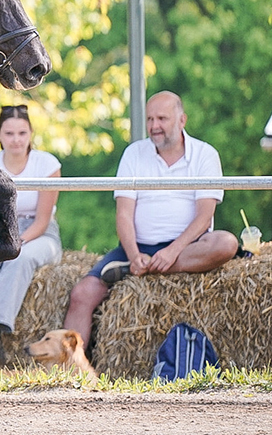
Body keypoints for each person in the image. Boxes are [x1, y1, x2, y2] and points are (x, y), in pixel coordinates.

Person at [62, 91, 239, 351]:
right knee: (81, 294)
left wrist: (172, 251)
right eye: (150, 119)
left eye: (162, 119)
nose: (154, 126)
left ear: (182, 120)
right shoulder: (134, 153)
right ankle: (69, 372)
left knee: (226, 243)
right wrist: (134, 255)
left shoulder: (205, 154)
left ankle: (143, 269)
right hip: (137, 249)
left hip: (188, 248)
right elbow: (123, 214)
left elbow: (205, 216)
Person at [0, 104, 63, 364]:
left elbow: (42, 220)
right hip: (0, 229)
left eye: (21, 133)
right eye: (9, 134)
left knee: (21, 257)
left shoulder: (47, 164)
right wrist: (2, 244)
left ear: (30, 133)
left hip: (40, 234)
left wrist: (16, 244)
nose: (16, 140)